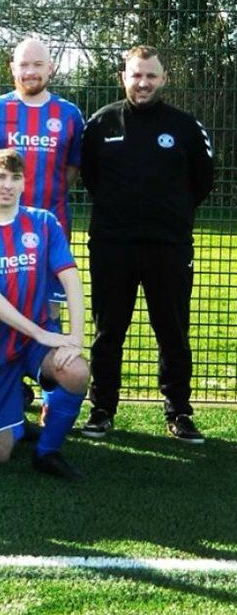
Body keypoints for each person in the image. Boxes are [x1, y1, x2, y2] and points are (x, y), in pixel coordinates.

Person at [80, 46, 214, 443]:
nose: (143, 83)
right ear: (123, 77)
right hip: (112, 245)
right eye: (136, 75)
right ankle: (102, 408)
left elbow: (202, 182)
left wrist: (167, 215)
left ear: (164, 78)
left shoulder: (186, 127)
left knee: (173, 331)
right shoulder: (101, 123)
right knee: (108, 331)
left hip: (168, 247)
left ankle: (179, 412)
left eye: (151, 76)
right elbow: (90, 177)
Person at [0, 149, 89, 481]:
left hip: (37, 340)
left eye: (15, 178)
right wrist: (40, 333)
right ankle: (12, 410)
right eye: (0, 176)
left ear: (25, 184)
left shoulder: (44, 223)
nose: (7, 185)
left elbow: (71, 279)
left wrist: (75, 338)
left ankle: (48, 452)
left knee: (77, 371)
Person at [0, 38, 85, 425]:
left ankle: (51, 393)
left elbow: (70, 171)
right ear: (12, 69)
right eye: (24, 65)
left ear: (51, 68)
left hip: (49, 232)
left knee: (48, 308)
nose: (31, 72)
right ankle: (4, 384)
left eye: (38, 65)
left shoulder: (69, 114)